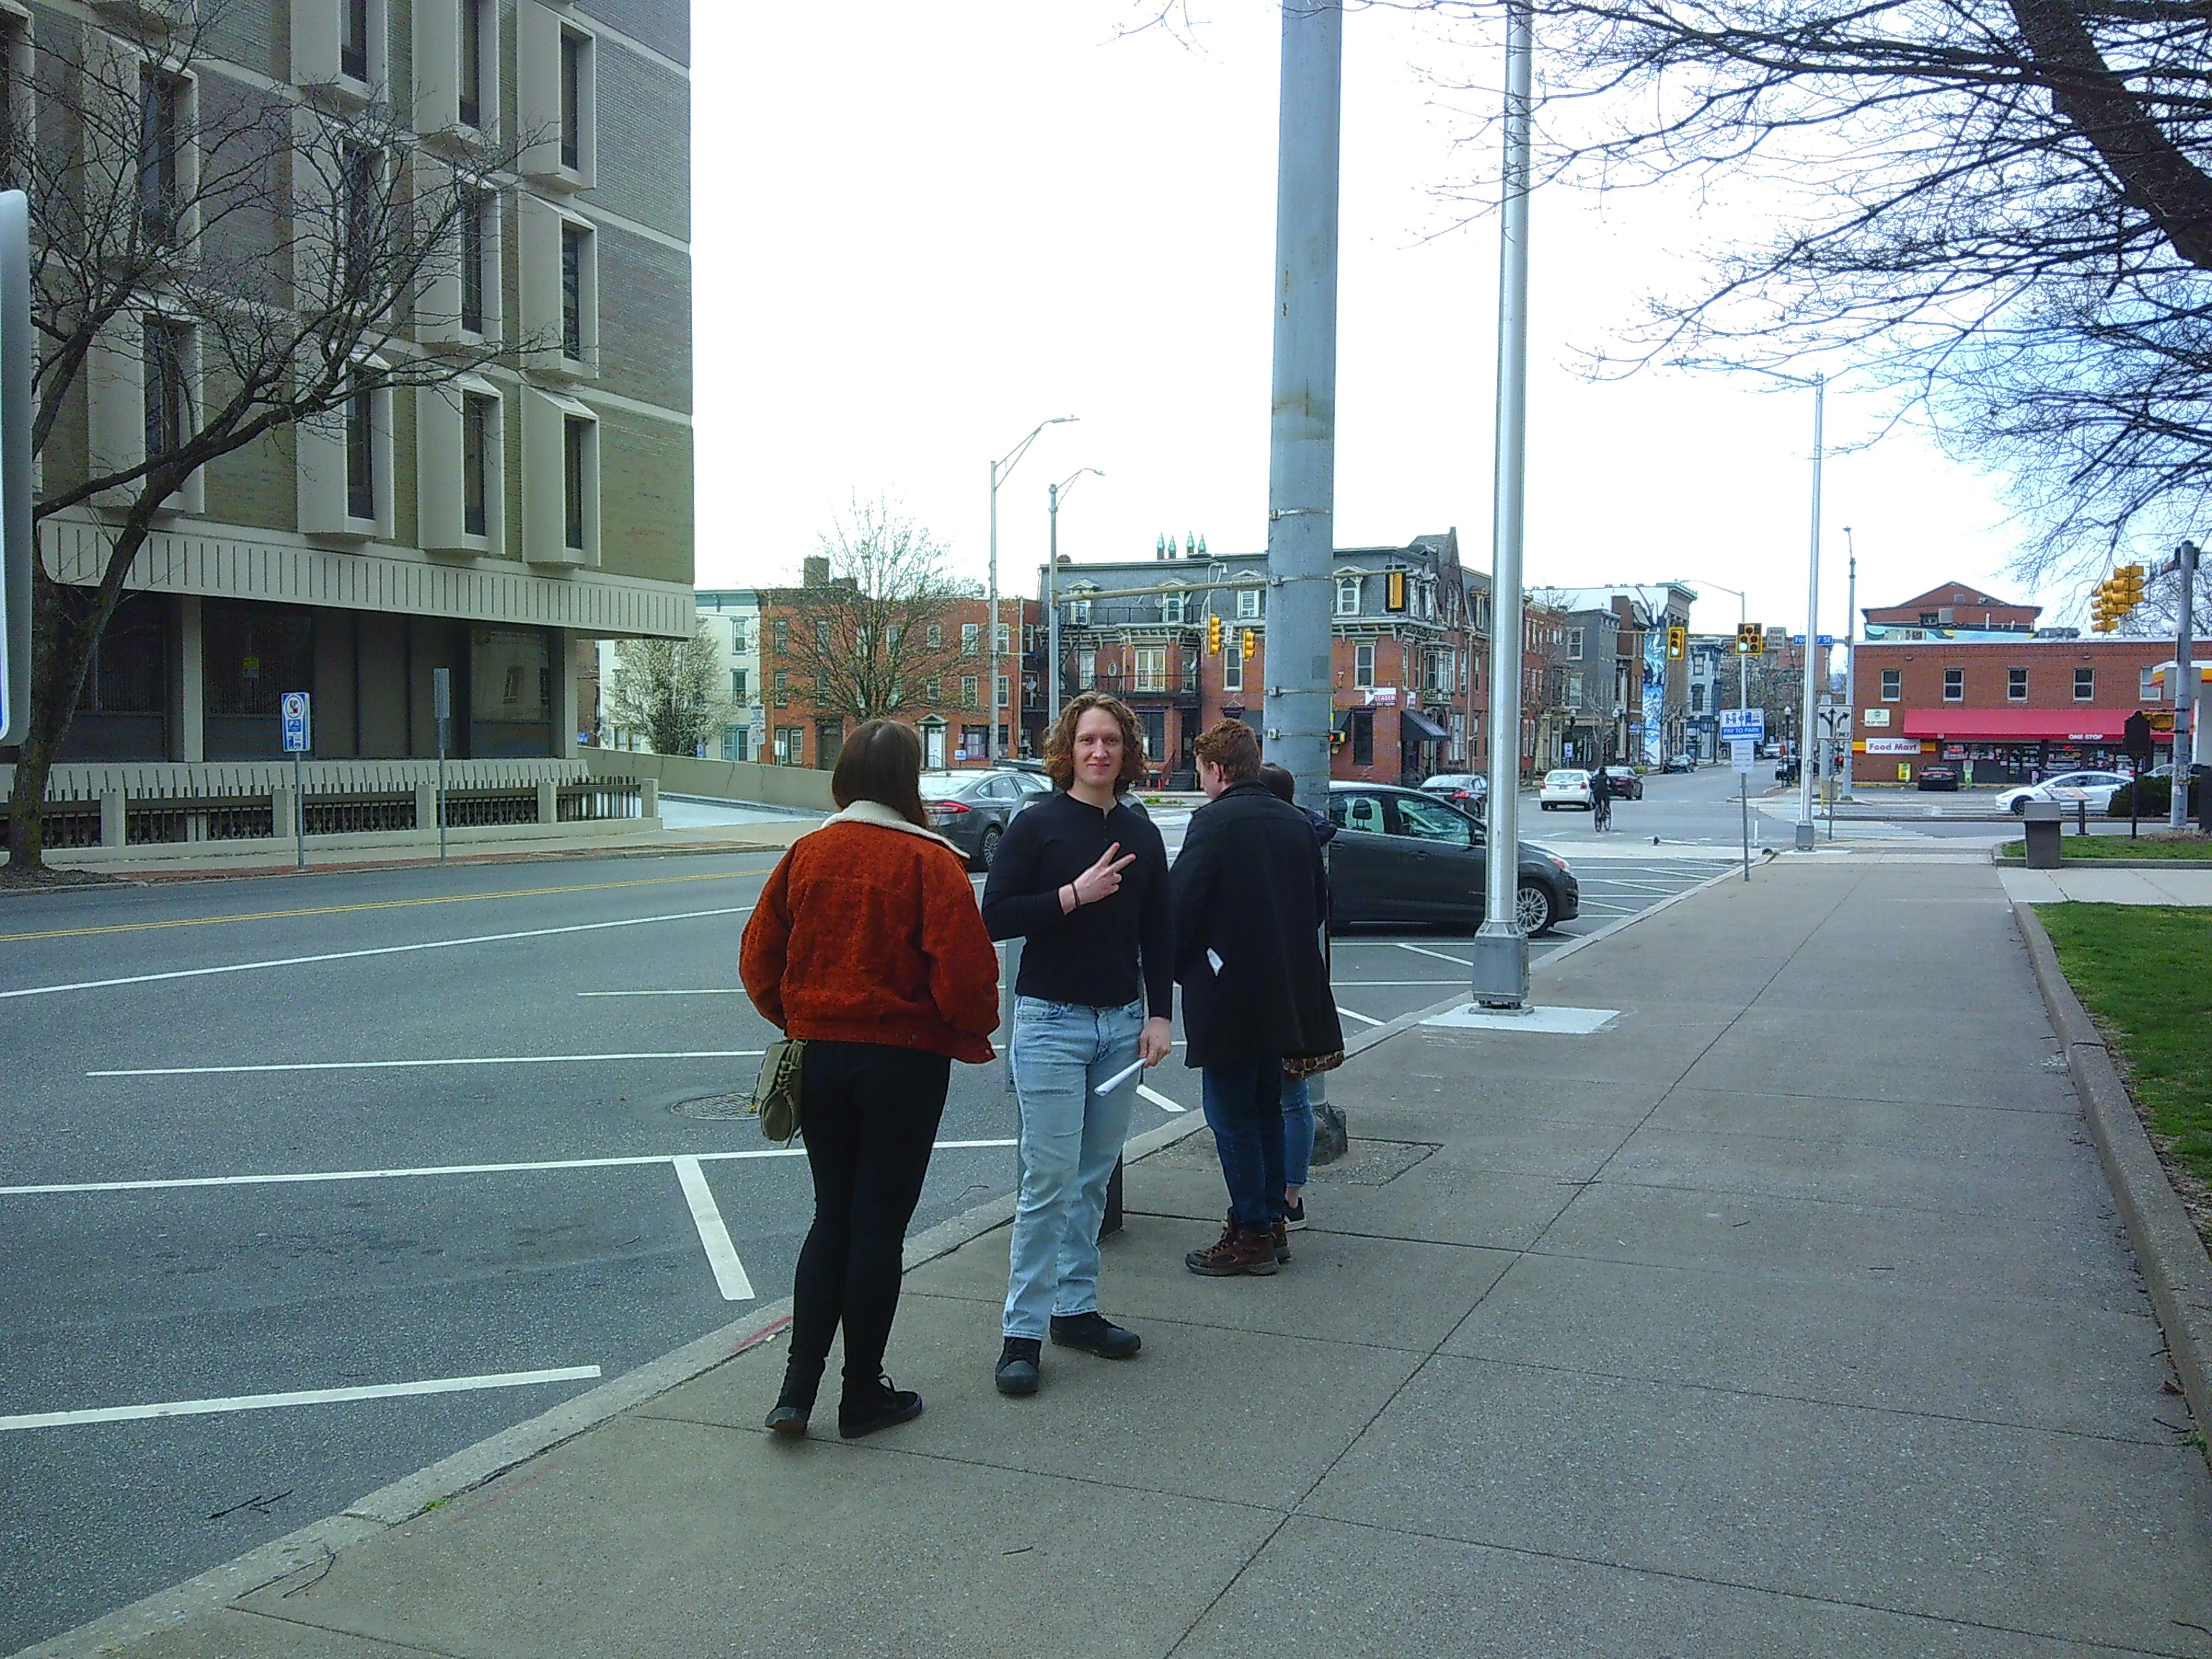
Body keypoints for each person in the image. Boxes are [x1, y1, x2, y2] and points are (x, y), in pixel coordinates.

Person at [740, 720, 1002, 1439]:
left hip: (820, 1055)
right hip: (903, 1061)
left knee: (832, 1216)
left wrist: (800, 1017)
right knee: (878, 1229)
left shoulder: (807, 854)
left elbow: (760, 960)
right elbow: (968, 978)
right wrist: (964, 1028)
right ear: (906, 781)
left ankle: (795, 1390)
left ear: (846, 777)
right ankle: (862, 1393)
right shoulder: (932, 863)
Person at [981, 692, 1174, 1397]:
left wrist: (1161, 1017)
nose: (1100, 752)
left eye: (1113, 742)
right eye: (1089, 740)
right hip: (1051, 1026)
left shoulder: (1140, 831)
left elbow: (1160, 931)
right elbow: (994, 916)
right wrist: (1073, 895)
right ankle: (1022, 1334)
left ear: (1126, 752)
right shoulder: (1038, 826)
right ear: (1070, 748)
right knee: (1048, 1180)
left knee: (1093, 1177)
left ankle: (1076, 1310)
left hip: (1122, 1027)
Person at [1172, 722, 1342, 1275]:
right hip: (1286, 995)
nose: (1202, 783)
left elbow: (1182, 907)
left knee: (1230, 1114)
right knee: (1267, 1107)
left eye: (1202, 772)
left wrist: (1184, 965)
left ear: (1218, 770)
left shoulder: (1213, 822)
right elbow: (1318, 908)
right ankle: (1270, 1221)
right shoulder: (1296, 824)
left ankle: (1248, 1234)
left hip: (1229, 995)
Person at [1258, 761, 1333, 1231]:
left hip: (1285, 983)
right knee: (1293, 1093)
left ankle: (1287, 1194)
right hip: (1303, 981)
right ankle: (1290, 1193)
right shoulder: (1304, 838)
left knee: (1290, 1094)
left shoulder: (1284, 842)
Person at [1591, 763, 1612, 832]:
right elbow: (1611, 784)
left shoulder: (1595, 777)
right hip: (1605, 793)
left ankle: (1598, 810)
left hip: (1596, 792)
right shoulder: (1607, 777)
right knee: (1607, 802)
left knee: (1598, 803)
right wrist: (1611, 790)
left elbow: (1591, 784)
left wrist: (1593, 790)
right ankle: (1606, 810)